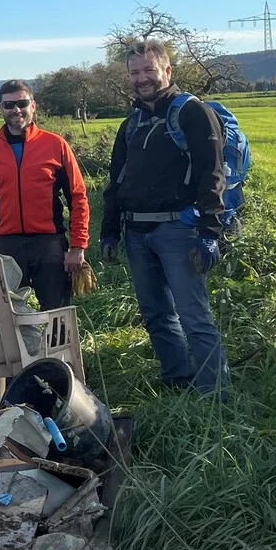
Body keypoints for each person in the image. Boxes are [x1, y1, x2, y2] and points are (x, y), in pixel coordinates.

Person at [100, 39, 230, 397]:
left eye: (149, 70)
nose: (141, 78)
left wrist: (210, 233)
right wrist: (109, 231)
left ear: (167, 70)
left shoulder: (192, 112)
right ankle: (177, 381)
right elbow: (116, 181)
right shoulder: (132, 123)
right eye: (134, 72)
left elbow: (212, 175)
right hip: (136, 233)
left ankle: (215, 395)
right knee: (156, 315)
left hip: (179, 231)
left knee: (194, 317)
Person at [0, 80, 90, 310]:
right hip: (8, 246)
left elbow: (78, 197)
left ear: (33, 105)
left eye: (22, 103)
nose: (16, 110)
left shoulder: (56, 145)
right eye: (9, 105)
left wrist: (77, 246)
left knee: (57, 314)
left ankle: (57, 337)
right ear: (1, 108)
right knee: (7, 315)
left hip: (50, 244)